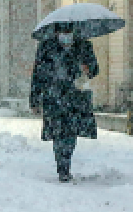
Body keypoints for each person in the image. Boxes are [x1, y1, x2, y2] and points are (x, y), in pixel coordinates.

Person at [30, 23, 99, 182]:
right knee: (58, 132)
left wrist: (88, 68)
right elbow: (38, 74)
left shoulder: (83, 46)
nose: (66, 35)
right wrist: (34, 99)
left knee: (71, 132)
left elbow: (95, 69)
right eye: (62, 32)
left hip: (76, 95)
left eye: (69, 32)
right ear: (56, 32)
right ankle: (63, 167)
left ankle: (65, 160)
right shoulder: (47, 47)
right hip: (53, 96)